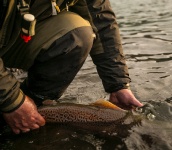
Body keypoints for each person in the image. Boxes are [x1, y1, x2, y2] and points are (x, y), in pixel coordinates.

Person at [0, 0, 143, 134]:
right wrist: (11, 101)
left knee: (77, 36)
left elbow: (101, 22)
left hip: (19, 37)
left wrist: (118, 85)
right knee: (11, 102)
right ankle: (14, 107)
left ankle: (31, 109)